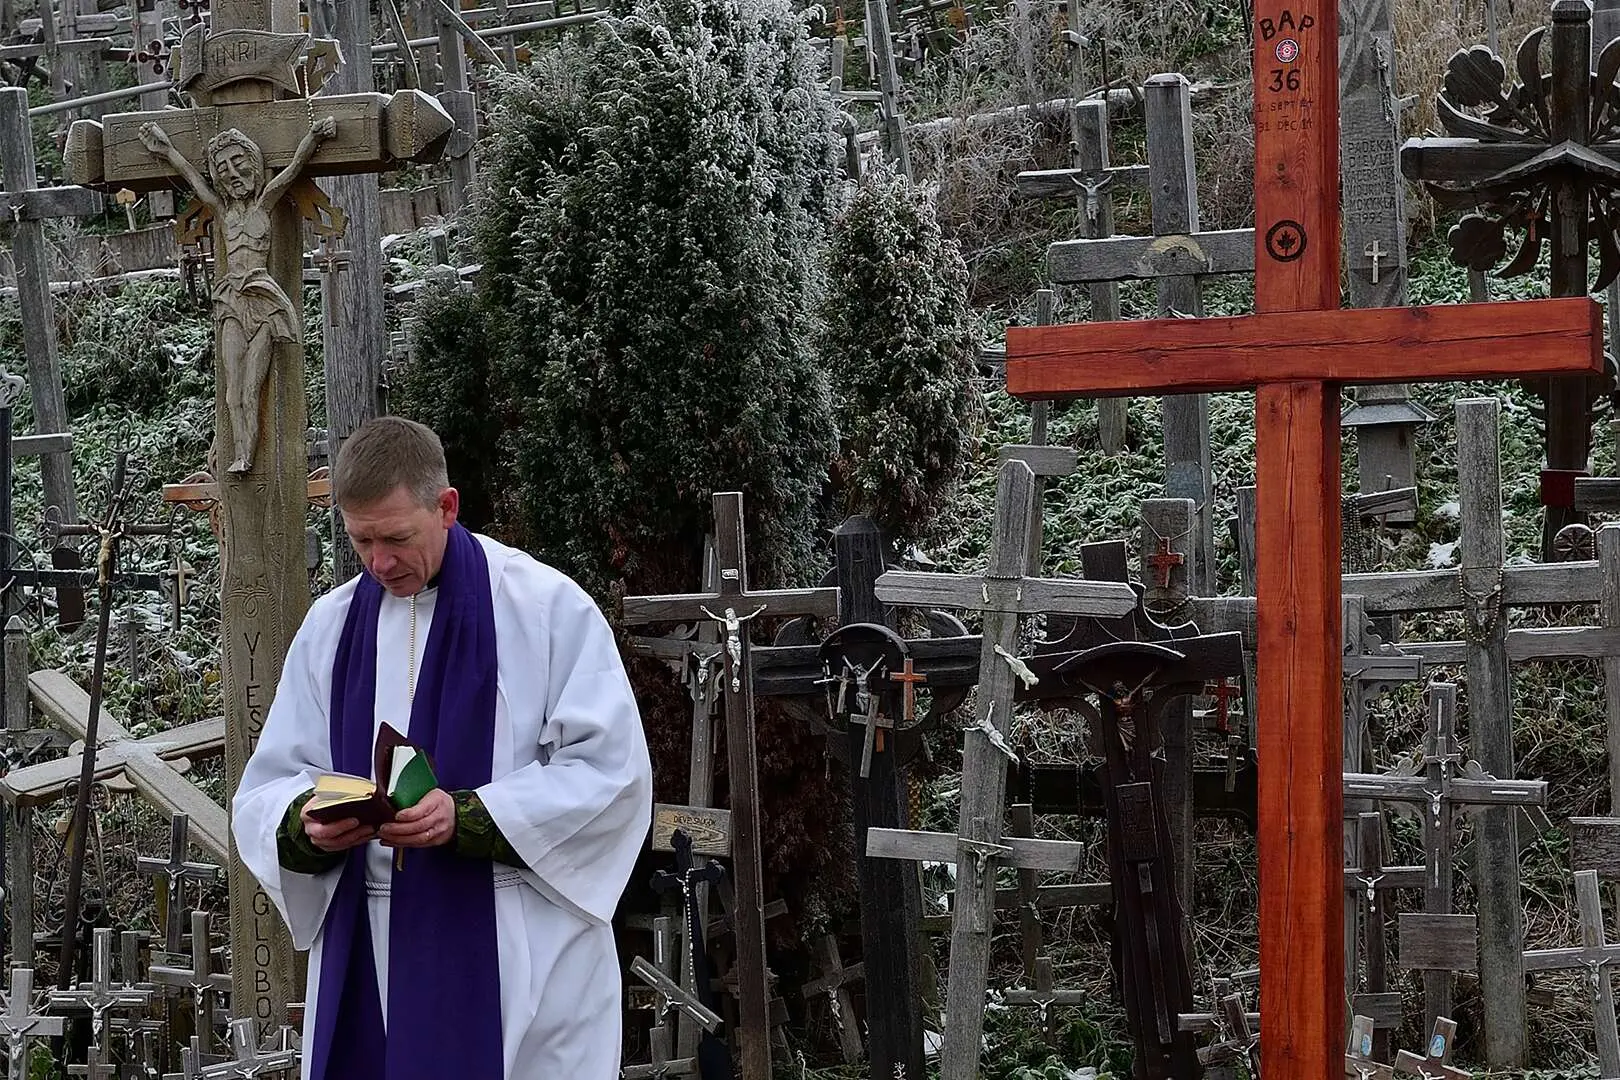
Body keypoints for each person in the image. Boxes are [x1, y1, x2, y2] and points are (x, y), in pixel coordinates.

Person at [233, 416, 652, 1080]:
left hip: (518, 940)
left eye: (396, 538)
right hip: (369, 939)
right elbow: (271, 783)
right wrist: (306, 826)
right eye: (361, 540)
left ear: (447, 507)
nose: (379, 562)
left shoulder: (544, 608)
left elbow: (610, 773)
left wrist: (471, 815)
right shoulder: (330, 627)